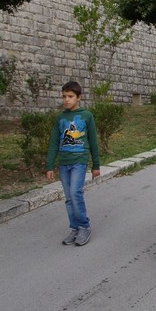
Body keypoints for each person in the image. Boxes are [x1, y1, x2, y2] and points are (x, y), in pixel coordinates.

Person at [46, 80, 100, 246]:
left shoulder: (86, 116)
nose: (66, 100)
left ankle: (84, 226)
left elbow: (92, 141)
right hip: (64, 163)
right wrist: (49, 166)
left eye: (70, 96)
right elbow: (54, 142)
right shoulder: (60, 118)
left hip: (79, 161)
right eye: (64, 96)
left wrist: (96, 165)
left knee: (76, 193)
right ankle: (75, 228)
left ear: (79, 97)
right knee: (69, 198)